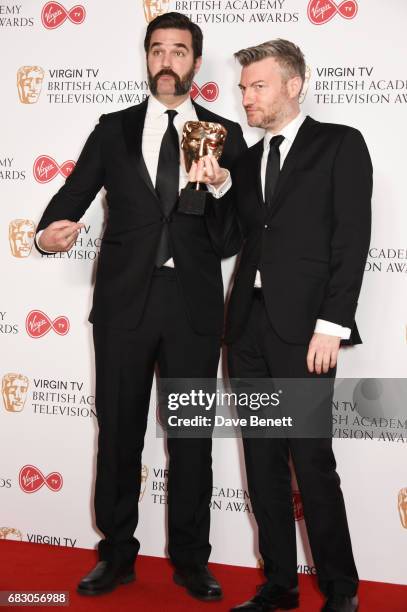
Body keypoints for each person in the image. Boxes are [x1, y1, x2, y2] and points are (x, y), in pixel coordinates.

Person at [35, 12, 246, 602]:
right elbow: (70, 198)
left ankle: (190, 560)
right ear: (147, 57)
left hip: (193, 311)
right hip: (125, 307)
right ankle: (117, 555)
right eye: (158, 50)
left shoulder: (224, 133)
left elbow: (232, 241)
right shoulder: (113, 129)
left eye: (180, 51)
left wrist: (223, 187)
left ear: (196, 63)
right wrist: (49, 231)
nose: (167, 61)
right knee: (120, 434)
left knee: (190, 440)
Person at [225, 39, 372, 612]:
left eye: (257, 86)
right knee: (260, 458)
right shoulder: (241, 161)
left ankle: (341, 590)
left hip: (310, 330)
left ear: (294, 84)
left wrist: (332, 323)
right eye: (242, 88)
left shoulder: (339, 144)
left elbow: (351, 238)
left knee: (310, 459)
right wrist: (212, 189)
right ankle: (279, 586)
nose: (246, 98)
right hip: (247, 329)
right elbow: (226, 240)